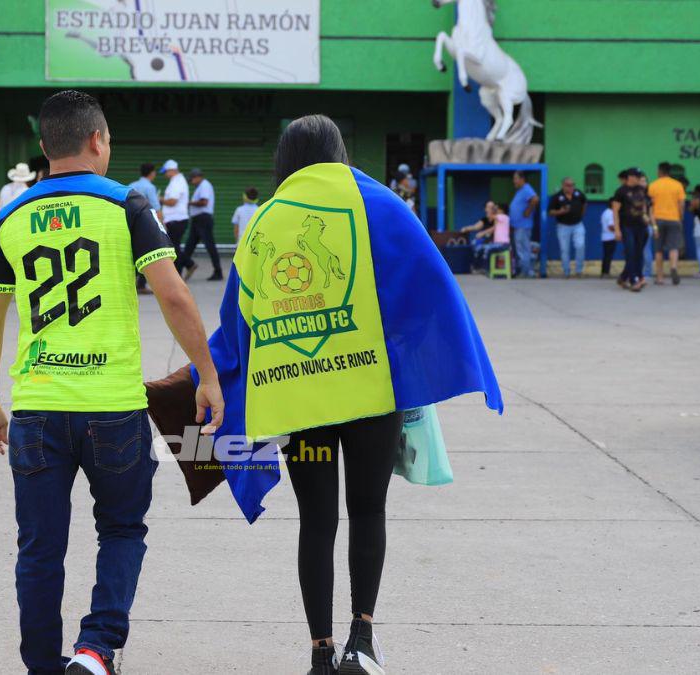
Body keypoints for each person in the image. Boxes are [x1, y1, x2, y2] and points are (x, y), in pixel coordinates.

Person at [201, 114, 502, 675]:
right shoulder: (378, 203)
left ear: (284, 162)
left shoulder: (265, 221)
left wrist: (211, 378)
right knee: (368, 510)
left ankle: (320, 651)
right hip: (369, 395)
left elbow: (236, 318)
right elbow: (427, 282)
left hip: (295, 400)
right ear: (339, 151)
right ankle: (362, 640)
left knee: (316, 521)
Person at [0, 90, 223, 675]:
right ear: (98, 141)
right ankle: (95, 649)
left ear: (43, 146)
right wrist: (206, 375)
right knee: (122, 529)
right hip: (113, 409)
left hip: (36, 409)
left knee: (39, 549)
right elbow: (172, 292)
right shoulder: (128, 205)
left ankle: (41, 663)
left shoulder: (12, 215)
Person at [648, 162, 687, 285]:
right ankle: (673, 267)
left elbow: (650, 207)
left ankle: (660, 278)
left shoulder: (653, 185)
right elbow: (681, 205)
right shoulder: (677, 185)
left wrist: (653, 225)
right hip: (674, 219)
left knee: (658, 250)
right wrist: (680, 218)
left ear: (659, 171)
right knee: (673, 247)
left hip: (658, 220)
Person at [611, 167, 650, 291]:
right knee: (631, 252)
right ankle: (634, 280)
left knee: (638, 253)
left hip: (641, 226)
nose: (639, 179)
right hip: (627, 226)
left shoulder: (641, 189)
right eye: (637, 176)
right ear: (631, 177)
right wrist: (617, 230)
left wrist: (645, 216)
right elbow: (615, 211)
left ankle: (624, 277)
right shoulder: (620, 191)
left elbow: (644, 205)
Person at [181, 167, 222, 281]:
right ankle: (183, 267)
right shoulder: (200, 186)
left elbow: (204, 202)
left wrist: (188, 202)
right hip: (198, 219)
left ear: (198, 177)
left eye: (192, 179)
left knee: (210, 246)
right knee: (189, 245)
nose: (191, 182)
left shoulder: (204, 185)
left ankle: (218, 272)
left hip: (203, 219)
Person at [129, 163, 163, 294]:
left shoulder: (132, 185)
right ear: (152, 173)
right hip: (146, 223)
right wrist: (161, 225)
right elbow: (156, 206)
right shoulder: (150, 187)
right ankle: (141, 284)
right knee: (146, 252)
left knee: (132, 252)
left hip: (129, 222)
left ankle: (134, 281)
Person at [548, 176, 587, 277]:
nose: (571, 187)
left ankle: (579, 270)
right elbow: (550, 212)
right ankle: (566, 271)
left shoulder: (578, 193)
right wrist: (560, 211)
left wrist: (581, 214)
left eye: (573, 185)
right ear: (563, 186)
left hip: (578, 224)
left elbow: (585, 203)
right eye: (568, 185)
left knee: (580, 246)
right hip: (563, 226)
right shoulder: (557, 197)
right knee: (564, 249)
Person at [159, 159, 190, 275]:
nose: (165, 175)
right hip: (175, 219)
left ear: (172, 170)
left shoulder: (177, 182)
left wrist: (160, 199)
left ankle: (178, 272)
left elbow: (172, 201)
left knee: (174, 247)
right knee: (174, 245)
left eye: (166, 172)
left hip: (177, 220)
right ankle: (188, 265)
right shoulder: (176, 181)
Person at [460, 201, 510, 270]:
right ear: (485, 209)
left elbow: (494, 228)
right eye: (488, 207)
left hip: (495, 242)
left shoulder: (499, 217)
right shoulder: (488, 219)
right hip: (489, 241)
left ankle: (484, 268)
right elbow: (475, 227)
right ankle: (476, 266)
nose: (491, 209)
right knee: (475, 243)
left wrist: (483, 233)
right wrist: (466, 228)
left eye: (492, 207)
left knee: (485, 248)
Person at [509, 171, 539, 277]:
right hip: (518, 226)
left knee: (523, 249)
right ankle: (526, 271)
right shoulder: (520, 191)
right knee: (520, 248)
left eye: (515, 178)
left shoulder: (526, 188)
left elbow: (535, 199)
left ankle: (525, 272)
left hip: (523, 225)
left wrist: (528, 211)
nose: (514, 181)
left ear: (522, 179)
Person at [599, 203, 617, 277]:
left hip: (605, 237)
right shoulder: (611, 213)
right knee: (608, 256)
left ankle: (604, 272)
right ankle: (606, 272)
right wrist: (619, 231)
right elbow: (611, 226)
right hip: (610, 237)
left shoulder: (605, 212)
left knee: (606, 255)